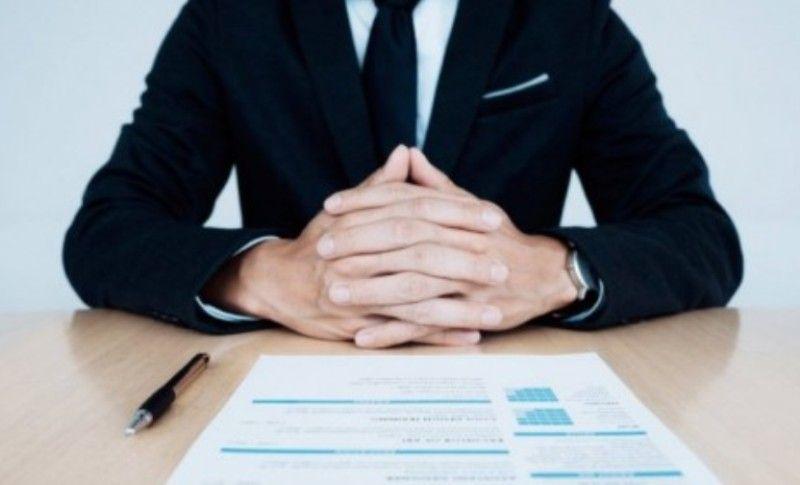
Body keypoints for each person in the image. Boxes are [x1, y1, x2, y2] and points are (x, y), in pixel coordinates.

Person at [63, 0, 743, 349]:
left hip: (505, 380)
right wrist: (266, 276)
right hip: (290, 388)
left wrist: (549, 271)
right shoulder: (230, 17)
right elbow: (106, 231)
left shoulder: (569, 17)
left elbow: (701, 234)